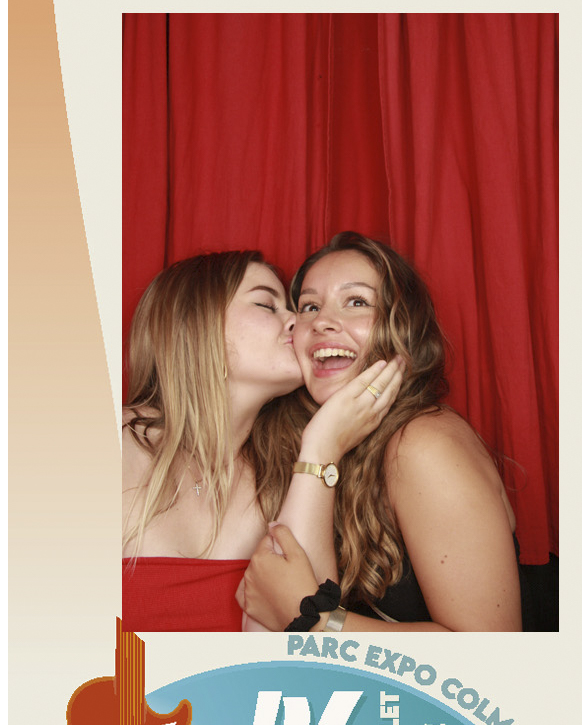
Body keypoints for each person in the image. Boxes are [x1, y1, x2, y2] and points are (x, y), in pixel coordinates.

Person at [239, 232, 528, 632]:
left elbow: (492, 651)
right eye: (309, 306)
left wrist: (318, 623)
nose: (321, 321)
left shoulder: (424, 444)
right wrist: (322, 447)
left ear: (402, 327)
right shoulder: (312, 440)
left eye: (356, 302)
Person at [121, 251, 398, 633]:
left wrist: (322, 448)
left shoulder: (287, 471)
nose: (299, 321)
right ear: (195, 325)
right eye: (267, 305)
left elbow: (305, 641)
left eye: (295, 307)